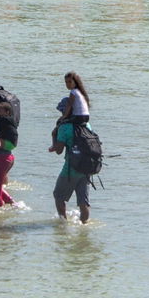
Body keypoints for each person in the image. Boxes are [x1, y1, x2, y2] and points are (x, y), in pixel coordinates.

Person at [50, 72, 92, 222]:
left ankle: (63, 224)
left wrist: (54, 135)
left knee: (58, 196)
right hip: (87, 169)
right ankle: (84, 227)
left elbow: (59, 150)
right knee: (83, 203)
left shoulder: (65, 127)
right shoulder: (86, 125)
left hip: (71, 169)